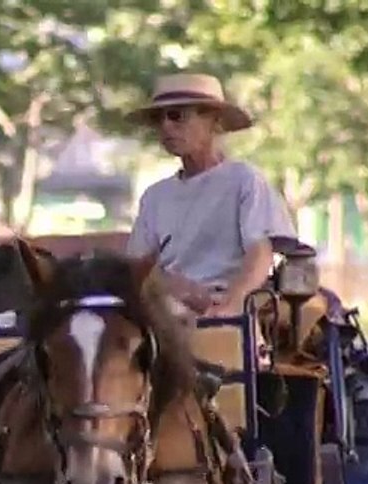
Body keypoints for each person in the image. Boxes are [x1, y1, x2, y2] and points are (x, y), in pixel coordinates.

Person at [124, 72, 297, 317]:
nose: (166, 126)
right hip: (167, 312)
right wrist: (170, 287)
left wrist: (231, 304)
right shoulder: (155, 197)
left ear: (213, 120)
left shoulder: (243, 180)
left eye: (177, 115)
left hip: (230, 307)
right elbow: (138, 265)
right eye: (158, 118)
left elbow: (260, 252)